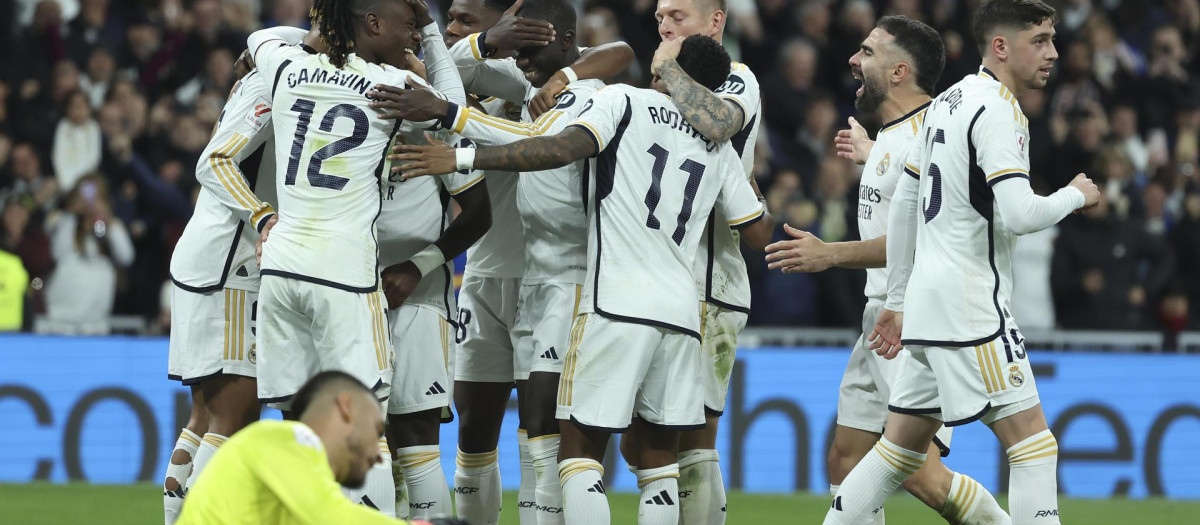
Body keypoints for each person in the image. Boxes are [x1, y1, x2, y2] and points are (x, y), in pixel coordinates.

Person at [392, 34, 773, 525]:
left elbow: (558, 149)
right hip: (682, 314)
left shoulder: (623, 101)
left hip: (615, 303)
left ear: (666, 73)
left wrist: (463, 158)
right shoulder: (720, 147)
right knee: (659, 461)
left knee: (577, 450)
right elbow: (758, 232)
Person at [824, 2, 1100, 524]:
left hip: (925, 306)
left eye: (1052, 40)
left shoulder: (948, 101)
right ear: (1001, 47)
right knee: (1033, 446)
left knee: (896, 454)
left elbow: (906, 203)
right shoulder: (999, 110)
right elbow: (1019, 214)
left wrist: (899, 300)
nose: (1053, 53)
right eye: (1040, 40)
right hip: (971, 305)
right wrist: (1075, 195)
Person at [369, 2, 634, 522]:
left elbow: (619, 52)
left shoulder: (547, 82)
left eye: (467, 20)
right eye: (450, 20)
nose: (453, 29)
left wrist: (561, 73)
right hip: (486, 274)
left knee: (542, 437)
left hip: (555, 276)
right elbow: (442, 64)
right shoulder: (477, 74)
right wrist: (482, 41)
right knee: (472, 436)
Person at [765, 15, 1010, 525]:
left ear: (899, 72)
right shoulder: (899, 136)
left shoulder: (933, 137)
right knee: (846, 458)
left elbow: (921, 241)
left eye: (868, 52)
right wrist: (874, 153)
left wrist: (830, 253)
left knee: (917, 470)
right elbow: (904, 184)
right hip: (880, 317)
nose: (854, 60)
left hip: (916, 322)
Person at [246, 0, 453, 516]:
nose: (412, 34)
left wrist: (323, 34)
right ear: (373, 23)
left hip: (281, 269)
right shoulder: (394, 88)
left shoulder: (287, 66)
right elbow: (452, 108)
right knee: (367, 430)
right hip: (344, 273)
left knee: (300, 429)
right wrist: (432, 32)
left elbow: (259, 38)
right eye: (407, 24)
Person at [621, 1, 766, 522]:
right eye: (660, 16)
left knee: (692, 435)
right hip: (651, 280)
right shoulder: (658, 87)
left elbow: (719, 123)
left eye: (678, 16)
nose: (664, 25)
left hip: (709, 282)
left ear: (715, 21)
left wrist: (667, 71)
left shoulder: (738, 78)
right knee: (638, 440)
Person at [162, 28, 306, 525]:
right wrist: (262, 215)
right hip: (232, 264)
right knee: (235, 417)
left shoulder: (256, 83)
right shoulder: (270, 85)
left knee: (204, 419)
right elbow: (214, 163)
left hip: (211, 260)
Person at [176, 370, 466, 525]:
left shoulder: (290, 482)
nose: (380, 455)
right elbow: (332, 517)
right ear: (347, 408)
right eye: (376, 431)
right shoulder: (281, 438)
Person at [42, 174, 134, 334]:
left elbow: (127, 256)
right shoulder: (63, 221)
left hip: (95, 323)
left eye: (96, 196)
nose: (90, 202)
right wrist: (73, 212)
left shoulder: (112, 228)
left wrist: (107, 219)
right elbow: (58, 252)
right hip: (59, 321)